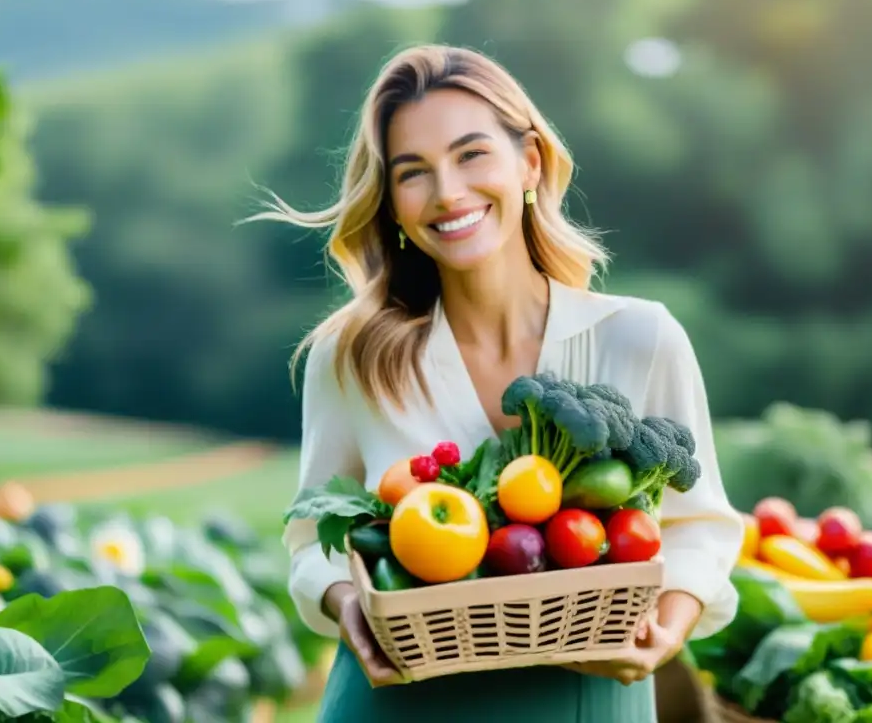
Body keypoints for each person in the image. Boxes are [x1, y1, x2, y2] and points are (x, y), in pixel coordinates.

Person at [261, 43, 744, 723]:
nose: (448, 193)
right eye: (413, 172)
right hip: (399, 703)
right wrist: (349, 607)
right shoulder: (352, 355)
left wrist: (671, 624)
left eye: (471, 154)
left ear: (530, 162)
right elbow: (314, 539)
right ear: (393, 203)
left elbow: (703, 527)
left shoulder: (639, 338)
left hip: (584, 696)